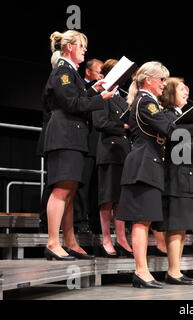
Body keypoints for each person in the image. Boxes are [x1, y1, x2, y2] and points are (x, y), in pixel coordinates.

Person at [42, 30, 116, 260]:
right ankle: (53, 242)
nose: (85, 49)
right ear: (70, 47)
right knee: (61, 188)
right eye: (82, 45)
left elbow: (76, 96)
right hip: (64, 135)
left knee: (70, 191)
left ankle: (70, 241)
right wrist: (99, 98)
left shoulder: (70, 73)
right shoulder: (63, 71)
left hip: (73, 136)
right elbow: (72, 103)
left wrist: (93, 89)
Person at [116, 61, 174, 289]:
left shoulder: (146, 101)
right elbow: (168, 129)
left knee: (145, 219)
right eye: (161, 80)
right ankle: (140, 271)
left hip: (148, 164)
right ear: (149, 79)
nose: (163, 85)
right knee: (141, 220)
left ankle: (142, 270)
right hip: (142, 165)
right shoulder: (146, 101)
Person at [158, 77, 193, 284]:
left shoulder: (182, 116)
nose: (186, 92)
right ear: (171, 92)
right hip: (176, 176)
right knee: (175, 226)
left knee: (182, 227)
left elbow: (187, 146)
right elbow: (175, 142)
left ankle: (176, 270)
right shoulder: (167, 115)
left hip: (189, 175)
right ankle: (173, 271)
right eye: (182, 89)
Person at [92, 59, 133, 257]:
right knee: (108, 198)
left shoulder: (121, 97)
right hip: (109, 150)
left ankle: (121, 238)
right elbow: (100, 122)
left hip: (124, 152)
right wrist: (124, 127)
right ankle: (106, 239)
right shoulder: (103, 94)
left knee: (120, 199)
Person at [73, 58, 104, 234]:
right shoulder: (83, 88)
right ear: (88, 72)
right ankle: (79, 221)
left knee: (96, 188)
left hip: (98, 143)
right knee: (82, 185)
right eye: (99, 72)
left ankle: (93, 222)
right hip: (84, 141)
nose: (101, 75)